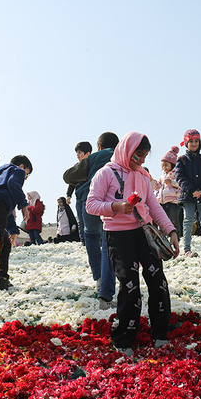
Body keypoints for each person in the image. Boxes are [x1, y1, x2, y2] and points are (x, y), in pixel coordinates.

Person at [86, 132, 179, 355]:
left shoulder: (143, 176)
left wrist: (171, 230)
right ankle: (125, 337)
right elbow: (91, 204)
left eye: (145, 156)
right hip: (118, 236)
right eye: (138, 155)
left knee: (158, 281)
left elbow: (154, 206)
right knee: (129, 285)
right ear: (127, 150)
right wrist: (115, 207)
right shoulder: (105, 173)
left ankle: (160, 334)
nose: (142, 160)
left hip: (144, 233)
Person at [63, 132, 119, 309]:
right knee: (108, 241)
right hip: (114, 204)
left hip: (91, 201)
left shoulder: (95, 157)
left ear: (99, 146)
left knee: (91, 236)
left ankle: (99, 277)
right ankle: (107, 285)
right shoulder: (122, 156)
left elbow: (68, 176)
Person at [0, 155, 32, 290]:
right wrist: (24, 206)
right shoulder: (17, 171)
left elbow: (6, 210)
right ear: (21, 167)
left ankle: (2, 278)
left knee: (4, 243)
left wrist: (13, 231)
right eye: (27, 173)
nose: (25, 178)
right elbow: (14, 185)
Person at [176, 130, 201, 259]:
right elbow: (180, 177)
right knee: (188, 221)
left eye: (196, 141)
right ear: (186, 143)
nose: (194, 144)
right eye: (191, 141)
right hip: (188, 195)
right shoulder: (181, 160)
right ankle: (187, 249)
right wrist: (192, 190)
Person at [65, 141, 92, 244]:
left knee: (88, 220)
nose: (77, 155)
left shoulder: (92, 164)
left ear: (87, 153)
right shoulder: (77, 166)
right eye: (77, 153)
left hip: (89, 197)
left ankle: (91, 241)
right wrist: (68, 195)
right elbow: (72, 182)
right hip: (79, 197)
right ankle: (83, 241)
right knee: (80, 221)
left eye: (79, 152)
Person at [154, 146, 182, 237]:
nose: (164, 167)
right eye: (163, 166)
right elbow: (158, 187)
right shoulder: (162, 176)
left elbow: (181, 184)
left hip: (173, 201)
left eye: (166, 165)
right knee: (163, 220)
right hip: (162, 201)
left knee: (174, 220)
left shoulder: (176, 174)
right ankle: (164, 237)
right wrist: (152, 181)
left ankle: (177, 236)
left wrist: (172, 182)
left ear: (172, 165)